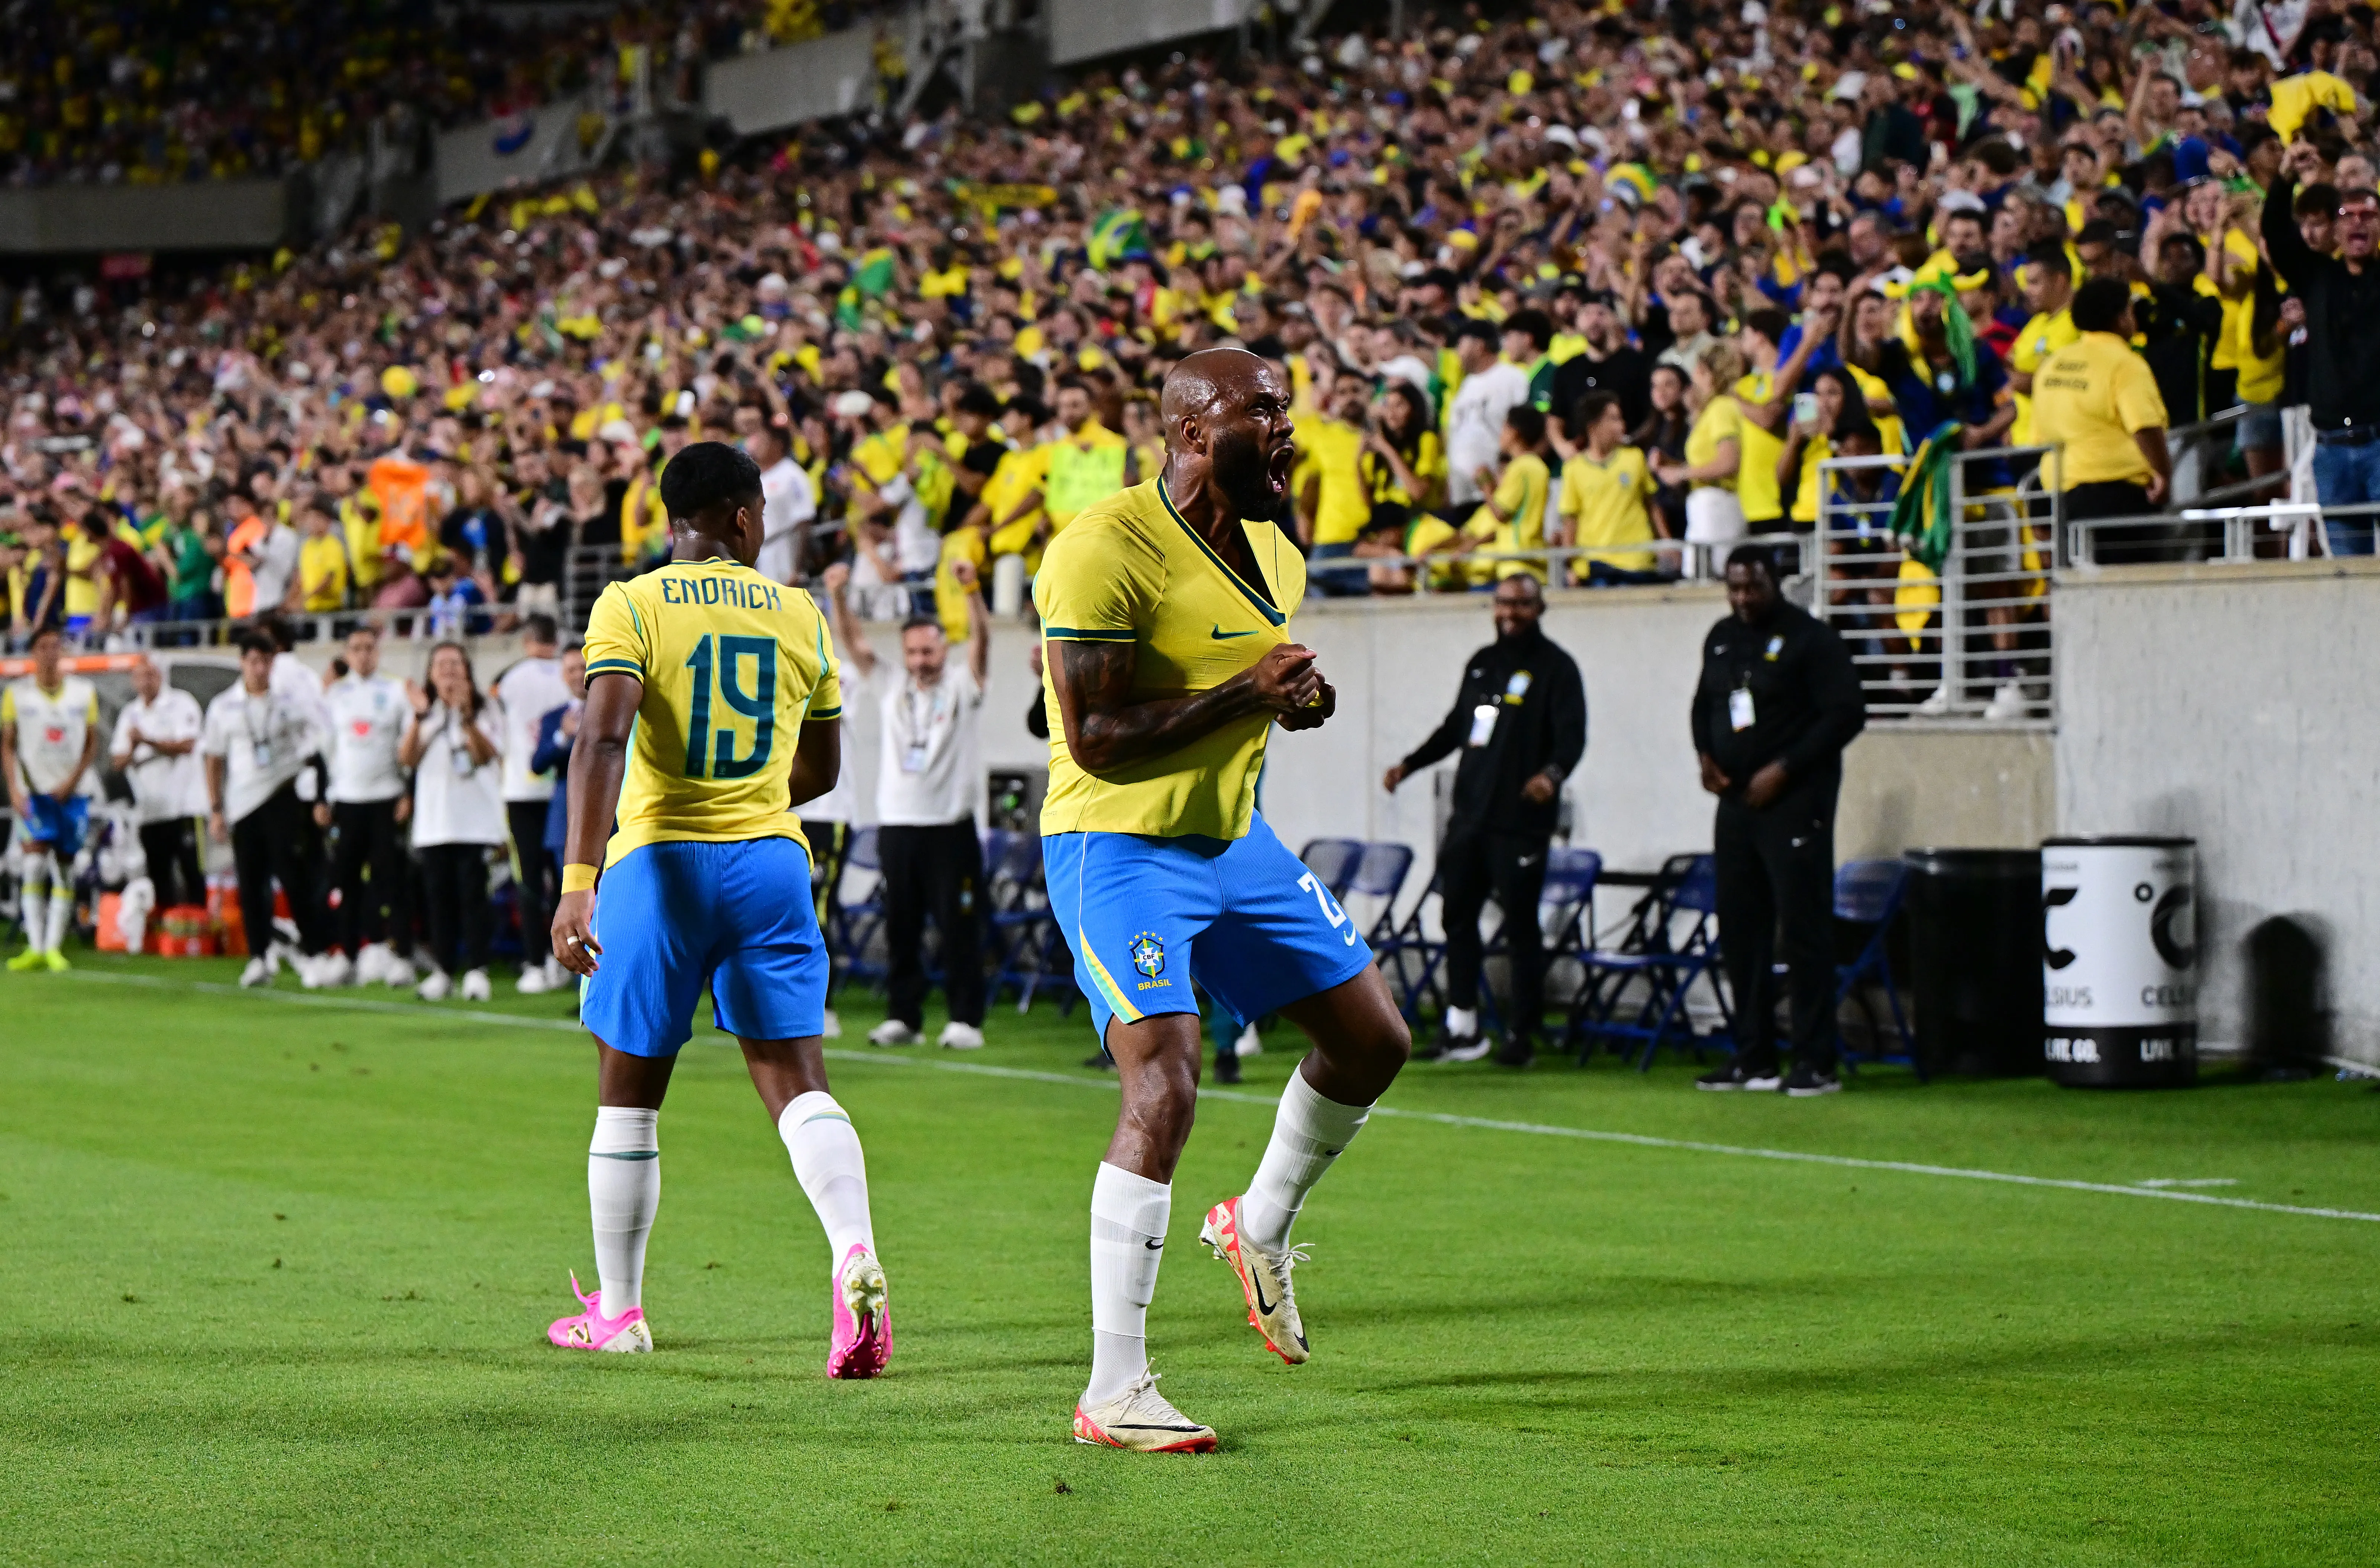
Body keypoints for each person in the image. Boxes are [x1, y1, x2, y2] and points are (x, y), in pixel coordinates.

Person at [1034, 346, 1410, 1452]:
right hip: (1120, 842)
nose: (1289, 434)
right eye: (1266, 414)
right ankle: (1114, 1387)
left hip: (1231, 836)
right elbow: (1095, 739)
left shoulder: (1277, 555)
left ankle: (1258, 1224)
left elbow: (1252, 683)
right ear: (1193, 430)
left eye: (1288, 414)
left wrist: (1290, 699)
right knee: (1165, 1077)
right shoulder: (1101, 548)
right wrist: (1246, 688)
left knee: (1372, 1038)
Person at [546, 441, 887, 1378]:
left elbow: (600, 739)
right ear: (740, 519)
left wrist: (579, 879)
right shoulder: (796, 612)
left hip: (657, 868)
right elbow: (820, 767)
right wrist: (752, 797)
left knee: (629, 1094)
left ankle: (620, 1312)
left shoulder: (632, 603)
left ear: (672, 520)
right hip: (771, 862)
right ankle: (853, 1253)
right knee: (796, 1080)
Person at [1382, 574, 1586, 1067]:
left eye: (1520, 603)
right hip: (1468, 817)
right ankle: (1461, 1027)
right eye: (1503, 602)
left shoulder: (1556, 668)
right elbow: (1456, 727)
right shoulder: (1482, 664)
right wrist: (1410, 763)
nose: (1510, 612)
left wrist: (1552, 775)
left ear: (1539, 608)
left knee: (1520, 928)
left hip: (1519, 821)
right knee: (1457, 919)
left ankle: (1521, 1033)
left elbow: (1572, 736)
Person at [1690, 547, 1866, 1097]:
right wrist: (1705, 758)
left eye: (1753, 587)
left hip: (1794, 803)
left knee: (1803, 930)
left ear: (1776, 582)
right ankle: (1752, 1055)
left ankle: (1814, 1060)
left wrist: (1785, 768)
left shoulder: (1811, 639)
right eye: (1734, 588)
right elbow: (1703, 705)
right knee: (1740, 931)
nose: (1742, 599)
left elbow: (1845, 713)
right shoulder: (1720, 636)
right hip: (1735, 805)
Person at [823, 553, 992, 1051]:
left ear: (943, 649)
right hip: (896, 825)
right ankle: (904, 1016)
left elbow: (983, 643)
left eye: (929, 651)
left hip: (949, 827)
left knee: (958, 927)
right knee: (901, 927)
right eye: (913, 652)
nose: (921, 660)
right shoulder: (891, 683)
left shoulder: (963, 683)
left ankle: (965, 1019)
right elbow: (853, 643)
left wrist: (972, 591)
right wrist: (836, 593)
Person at [201, 630, 332, 988]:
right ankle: (260, 956)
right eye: (253, 661)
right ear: (242, 662)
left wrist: (319, 795)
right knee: (250, 884)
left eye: (266, 661)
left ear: (274, 663)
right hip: (243, 805)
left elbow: (315, 750)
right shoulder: (224, 706)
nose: (260, 669)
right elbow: (214, 758)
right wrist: (216, 808)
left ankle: (314, 952)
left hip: (282, 796)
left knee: (294, 879)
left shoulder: (290, 703)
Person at [2262, 159, 2380, 555]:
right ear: (2336, 228)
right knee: (2347, 569)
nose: (2358, 223)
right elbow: (2276, 235)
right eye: (2348, 215)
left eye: (2369, 215)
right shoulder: (2317, 276)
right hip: (2329, 449)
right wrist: (2284, 178)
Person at [2030, 277, 2174, 561]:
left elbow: (2039, 435)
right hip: (2117, 497)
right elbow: (2144, 426)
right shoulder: (2125, 364)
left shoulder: (2053, 363)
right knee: (2126, 591)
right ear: (2121, 319)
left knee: (2079, 590)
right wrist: (2163, 475)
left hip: (2062, 497)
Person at [400, 641, 506, 1002]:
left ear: (467, 670)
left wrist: (466, 718)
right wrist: (420, 718)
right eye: (440, 664)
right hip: (434, 824)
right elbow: (407, 759)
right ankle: (443, 971)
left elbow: (485, 755)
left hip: (475, 823)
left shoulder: (486, 707)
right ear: (430, 673)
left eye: (454, 664)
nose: (447, 670)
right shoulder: (421, 712)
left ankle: (478, 970)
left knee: (474, 899)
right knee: (438, 902)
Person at [319, 623, 417, 988]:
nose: (362, 655)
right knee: (345, 882)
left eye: (368, 648)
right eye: (356, 648)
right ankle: (347, 954)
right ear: (347, 654)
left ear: (378, 653)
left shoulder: (394, 691)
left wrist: (407, 792)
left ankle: (400, 956)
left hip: (386, 798)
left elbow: (409, 748)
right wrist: (322, 797)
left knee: (391, 882)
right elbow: (324, 752)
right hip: (347, 800)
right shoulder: (334, 696)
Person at [3, 626, 99, 969]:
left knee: (65, 869)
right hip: (35, 792)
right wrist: (15, 788)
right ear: (32, 653)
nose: (49, 653)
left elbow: (91, 743)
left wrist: (72, 781)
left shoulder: (83, 693)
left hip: (73, 793)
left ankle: (55, 948)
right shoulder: (17, 694)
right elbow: (8, 745)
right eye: (42, 647)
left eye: (55, 647)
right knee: (32, 865)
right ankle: (36, 947)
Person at [495, 615, 575, 993]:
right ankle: (568, 961)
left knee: (528, 882)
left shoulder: (509, 679)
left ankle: (535, 962)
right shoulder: (574, 674)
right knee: (570, 881)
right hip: (565, 792)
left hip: (522, 792)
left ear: (527, 640)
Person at [109, 654, 208, 912]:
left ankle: (199, 925)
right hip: (151, 810)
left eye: (151, 675)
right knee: (158, 870)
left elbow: (188, 744)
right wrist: (133, 748)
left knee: (192, 867)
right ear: (133, 681)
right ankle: (167, 928)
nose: (146, 681)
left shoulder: (181, 703)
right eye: (140, 676)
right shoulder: (130, 714)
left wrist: (148, 742)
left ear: (161, 677)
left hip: (184, 804)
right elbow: (118, 761)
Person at [1558, 390, 1665, 584]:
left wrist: (1667, 543)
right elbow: (1570, 520)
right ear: (1594, 427)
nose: (1622, 426)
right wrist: (1570, 565)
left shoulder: (1635, 459)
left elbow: (1652, 506)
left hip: (1638, 561)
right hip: (1597, 564)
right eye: (1614, 419)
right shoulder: (1574, 469)